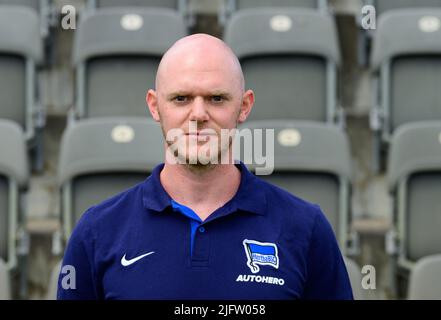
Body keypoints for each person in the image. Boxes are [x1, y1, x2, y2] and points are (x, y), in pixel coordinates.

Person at [57, 34, 353, 300]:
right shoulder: (98, 231)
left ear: (244, 106)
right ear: (154, 105)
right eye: (181, 98)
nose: (198, 114)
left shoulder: (306, 228)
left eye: (217, 98)